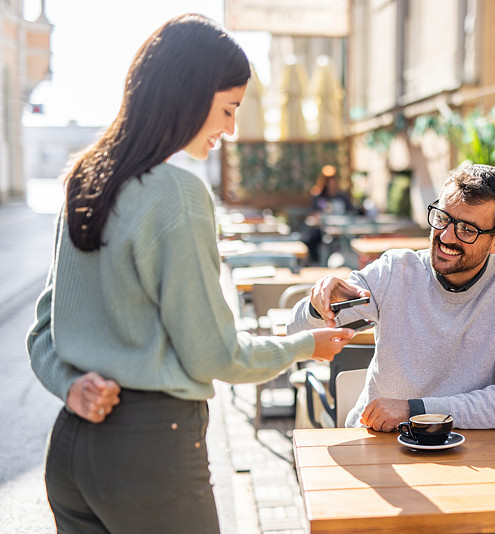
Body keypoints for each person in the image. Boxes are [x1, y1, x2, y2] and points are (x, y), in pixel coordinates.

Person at [26, 14, 354, 534]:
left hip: (71, 450)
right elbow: (214, 354)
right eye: (227, 110)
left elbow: (44, 329)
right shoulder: (178, 193)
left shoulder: (85, 181)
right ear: (186, 96)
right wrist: (303, 345)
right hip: (152, 450)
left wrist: (70, 385)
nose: (230, 130)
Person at [287, 163, 495, 431]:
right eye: (442, 218)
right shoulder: (395, 272)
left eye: (467, 230)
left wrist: (415, 411)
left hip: (472, 449)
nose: (446, 236)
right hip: (381, 441)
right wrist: (316, 307)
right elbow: (296, 333)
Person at [302, 164, 356, 264]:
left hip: (342, 230)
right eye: (328, 180)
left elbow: (351, 212)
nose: (331, 182)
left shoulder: (342, 196)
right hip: (323, 229)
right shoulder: (318, 196)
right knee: (310, 239)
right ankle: (316, 262)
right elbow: (312, 214)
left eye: (333, 179)